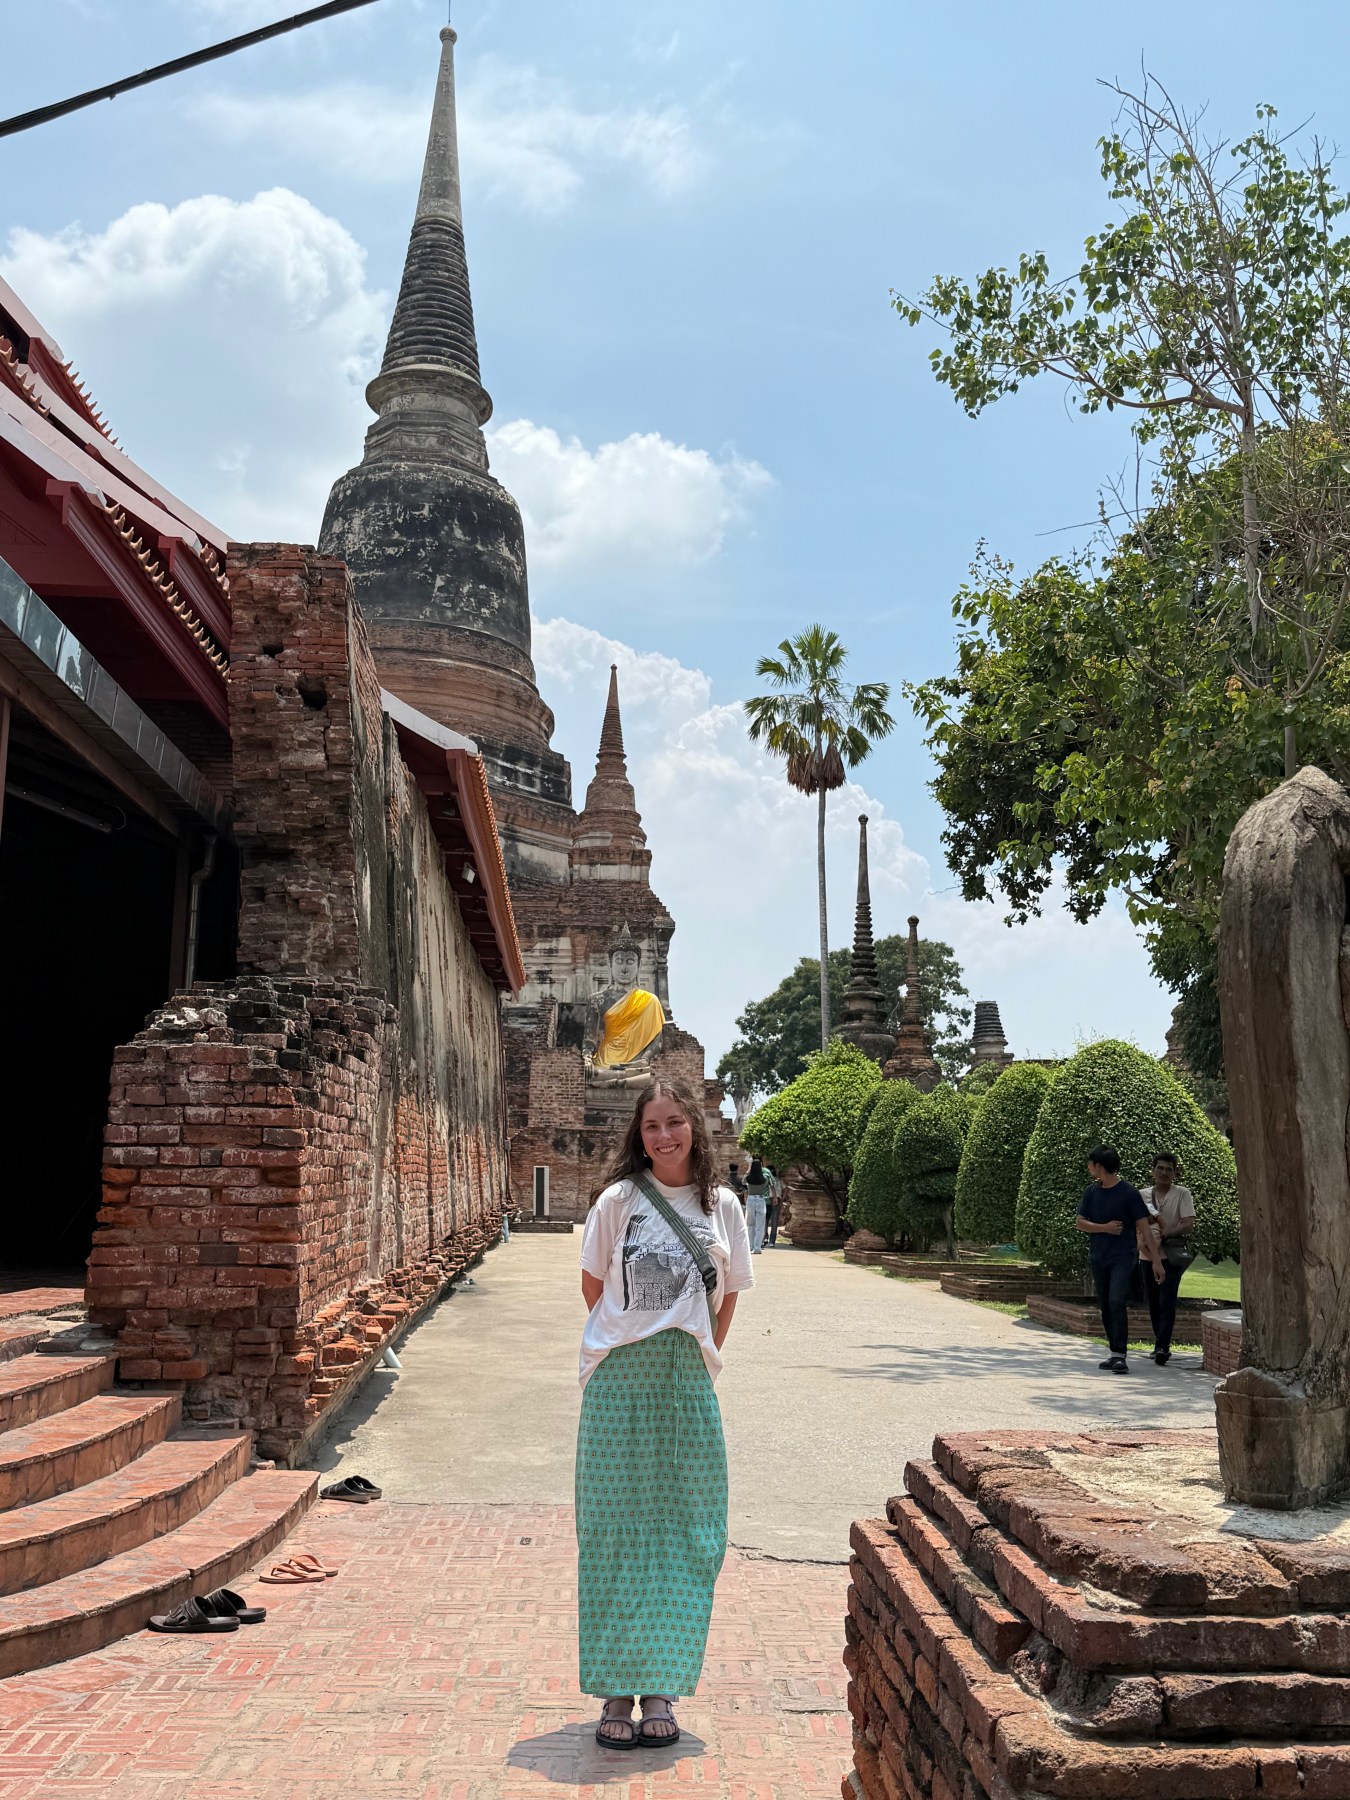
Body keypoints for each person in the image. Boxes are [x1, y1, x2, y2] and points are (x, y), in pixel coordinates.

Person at [577, 1079, 754, 1751]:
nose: (664, 1136)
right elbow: (595, 1287)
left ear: (694, 1127)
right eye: (652, 1126)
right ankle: (616, 1691)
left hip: (687, 1381)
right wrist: (634, 1333)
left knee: (687, 1530)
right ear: (639, 1135)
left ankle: (662, 1688)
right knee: (613, 1530)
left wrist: (700, 1350)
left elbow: (729, 1295)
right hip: (620, 1379)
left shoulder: (723, 1206)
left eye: (674, 1122)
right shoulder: (617, 1202)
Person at [1074, 1146, 1164, 1374]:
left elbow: (1144, 1227)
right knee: (1105, 1304)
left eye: (1091, 1163)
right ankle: (1114, 1352)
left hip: (1123, 1257)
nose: (1088, 1167)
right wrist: (1104, 1228)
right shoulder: (1091, 1192)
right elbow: (1080, 1223)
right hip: (1099, 1256)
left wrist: (1156, 1261)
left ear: (1099, 1166)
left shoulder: (1128, 1193)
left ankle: (1121, 1355)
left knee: (1116, 1300)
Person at [1140, 1152, 1196, 1365]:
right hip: (1146, 1255)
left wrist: (1166, 1233)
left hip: (1170, 1256)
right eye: (1160, 1168)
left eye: (1168, 1169)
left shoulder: (1182, 1194)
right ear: (1153, 1170)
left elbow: (1187, 1223)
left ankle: (1163, 1346)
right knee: (1153, 1300)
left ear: (1174, 1173)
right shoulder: (1142, 1195)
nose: (1164, 1173)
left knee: (1167, 1300)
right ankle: (1159, 1343)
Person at [743, 1157, 769, 1254]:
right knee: (760, 1226)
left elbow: (743, 1182)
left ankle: (750, 1246)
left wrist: (749, 1169)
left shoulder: (748, 1178)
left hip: (751, 1199)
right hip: (760, 1199)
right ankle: (757, 1247)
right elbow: (766, 1184)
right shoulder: (764, 1179)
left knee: (750, 1224)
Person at [763, 1166, 782, 1248]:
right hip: (775, 1199)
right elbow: (785, 1189)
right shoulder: (778, 1179)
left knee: (766, 1220)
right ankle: (771, 1241)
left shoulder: (766, 1178)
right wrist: (781, 1198)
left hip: (768, 1198)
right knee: (773, 1220)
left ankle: (765, 1238)